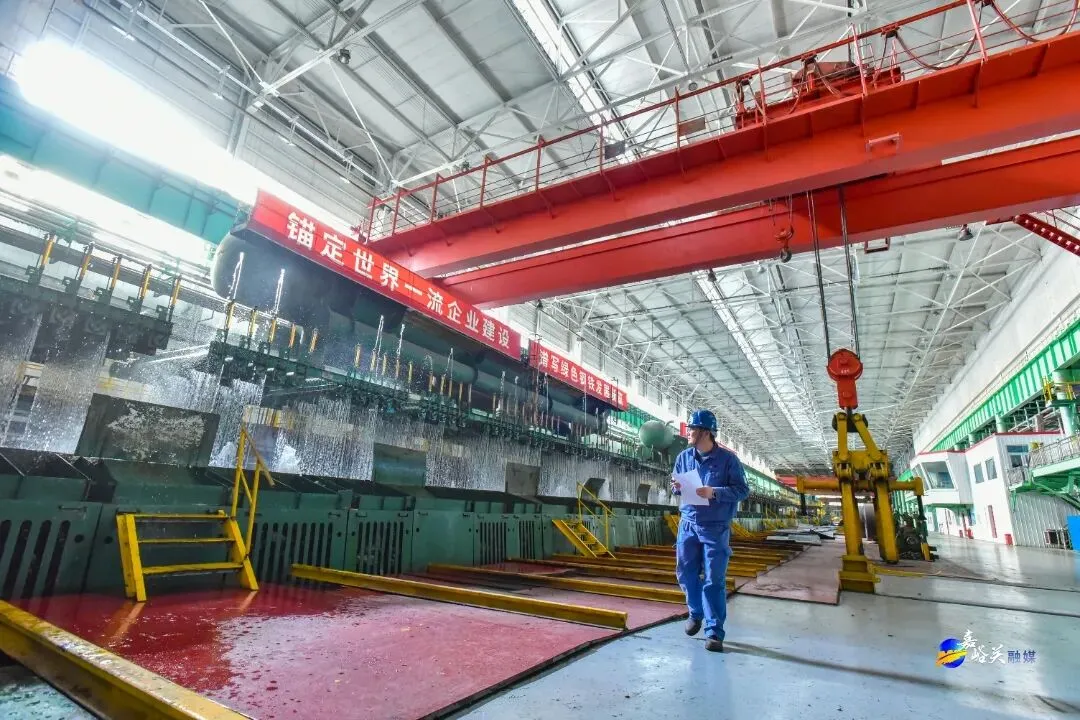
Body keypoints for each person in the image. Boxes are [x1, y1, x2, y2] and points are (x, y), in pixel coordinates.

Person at [670, 409, 750, 652]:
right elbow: (676, 486)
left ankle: (714, 631)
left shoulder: (728, 460)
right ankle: (695, 612)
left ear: (705, 432)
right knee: (685, 572)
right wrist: (676, 486)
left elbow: (742, 491)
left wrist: (714, 492)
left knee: (714, 579)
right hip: (688, 524)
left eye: (692, 429)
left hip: (715, 527)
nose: (688, 433)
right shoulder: (684, 457)